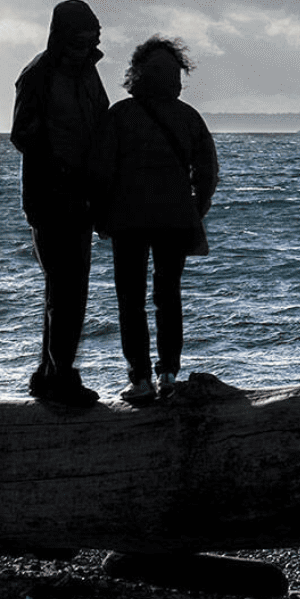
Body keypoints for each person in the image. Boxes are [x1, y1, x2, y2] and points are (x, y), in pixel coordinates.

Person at [88, 36, 219, 403]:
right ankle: (168, 375)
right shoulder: (188, 117)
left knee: (131, 300)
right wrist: (197, 209)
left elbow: (101, 172)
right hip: (176, 220)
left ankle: (140, 379)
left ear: (137, 75)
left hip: (128, 220)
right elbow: (207, 171)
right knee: (168, 298)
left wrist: (100, 215)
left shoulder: (120, 115)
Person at [9, 0, 111, 406]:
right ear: (60, 35)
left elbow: (100, 121)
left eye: (93, 37)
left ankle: (49, 373)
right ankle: (61, 377)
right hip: (50, 197)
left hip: (83, 197)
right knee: (66, 288)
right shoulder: (37, 75)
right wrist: (62, 165)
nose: (88, 45)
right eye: (80, 37)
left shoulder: (88, 72)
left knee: (67, 289)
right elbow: (22, 135)